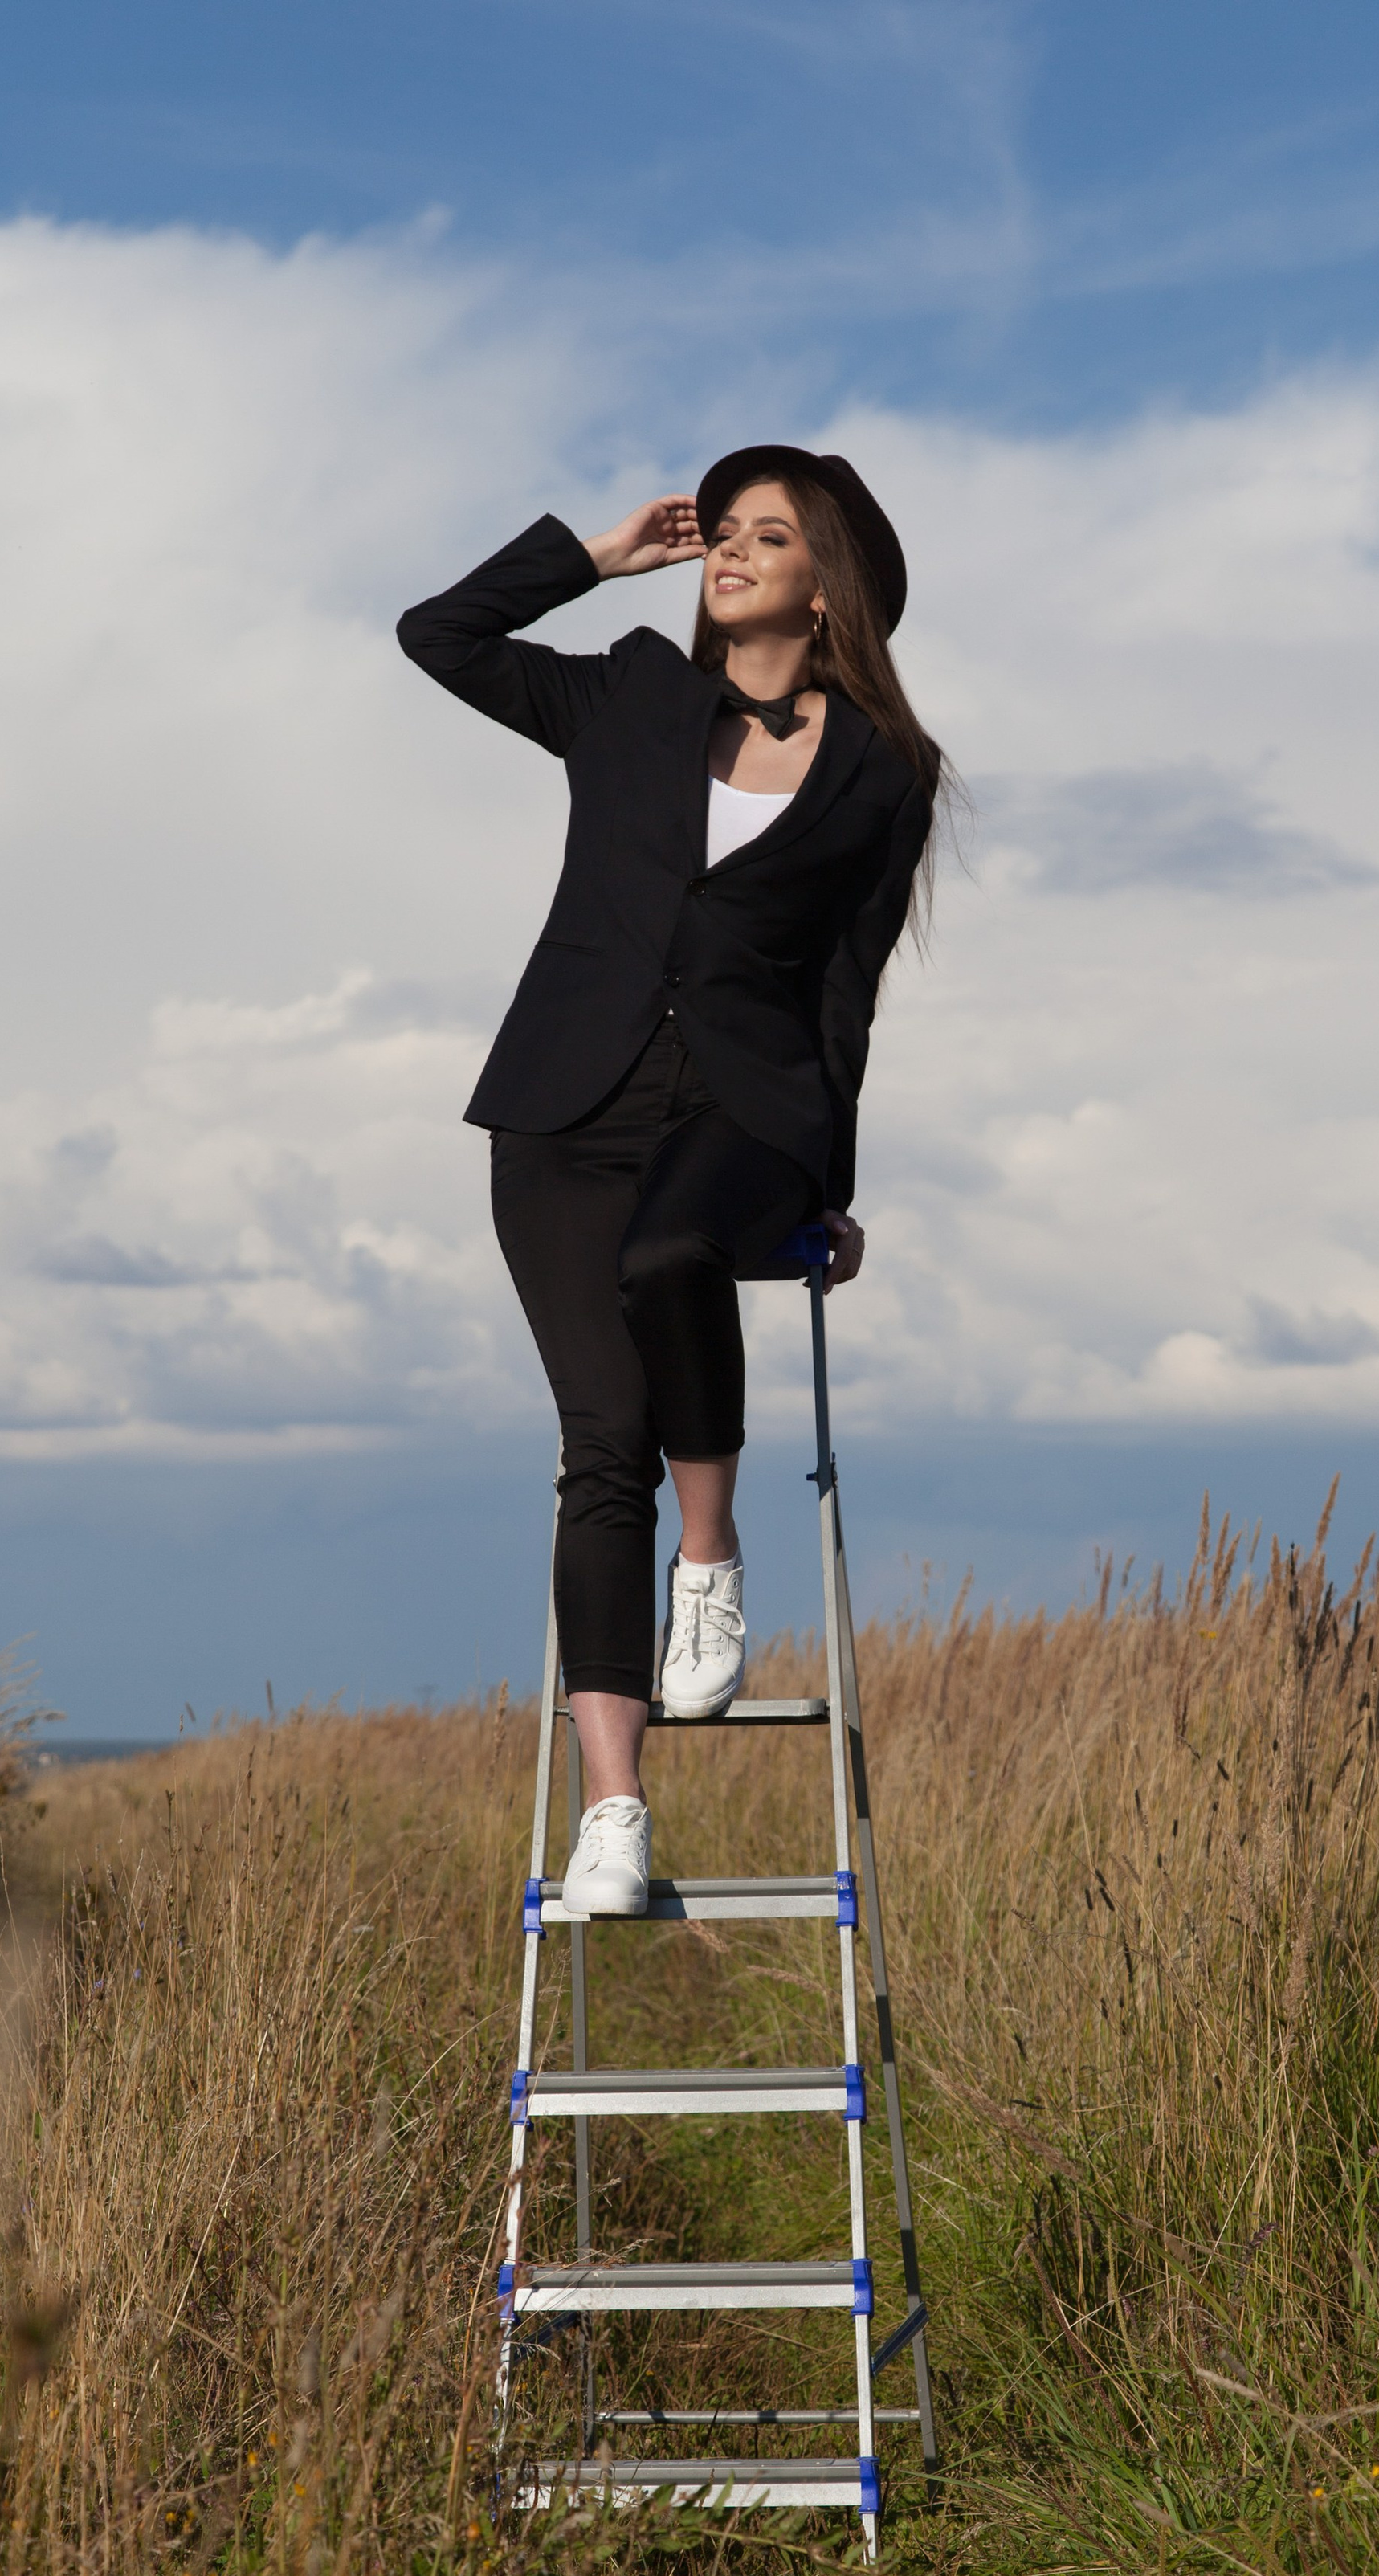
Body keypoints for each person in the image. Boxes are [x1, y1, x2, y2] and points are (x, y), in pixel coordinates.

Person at [398, 447, 952, 1917]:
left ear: (827, 586)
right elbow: (437, 635)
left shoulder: (887, 769)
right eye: (726, 532)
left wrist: (826, 1182)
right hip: (565, 1108)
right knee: (601, 1445)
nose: (732, 550)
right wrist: (595, 556)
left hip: (746, 1107)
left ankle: (709, 1555)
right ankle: (615, 1813)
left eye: (770, 535)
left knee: (671, 1258)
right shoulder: (632, 697)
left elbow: (847, 991)